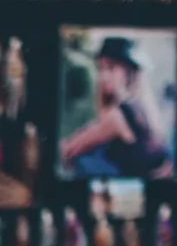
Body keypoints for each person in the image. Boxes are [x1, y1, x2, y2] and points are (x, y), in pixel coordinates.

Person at [61, 36, 166, 180]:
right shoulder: (135, 107)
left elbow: (69, 149)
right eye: (101, 68)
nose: (104, 76)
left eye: (111, 67)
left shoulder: (118, 115)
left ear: (128, 73)